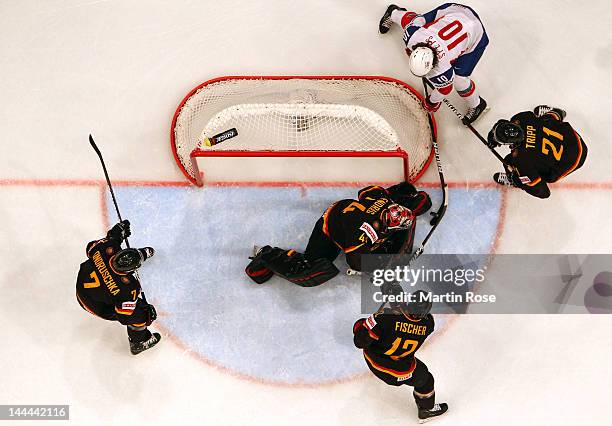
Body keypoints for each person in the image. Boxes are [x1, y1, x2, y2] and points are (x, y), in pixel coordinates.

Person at [245, 183, 431, 287]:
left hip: (355, 216)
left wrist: (405, 196)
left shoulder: (386, 202)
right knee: (309, 271)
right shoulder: (362, 233)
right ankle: (268, 257)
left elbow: (366, 192)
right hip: (330, 229)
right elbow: (355, 261)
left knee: (413, 208)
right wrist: (381, 268)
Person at [379, 3, 489, 124]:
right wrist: (431, 102)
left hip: (476, 33)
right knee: (419, 20)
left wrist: (432, 103)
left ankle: (477, 104)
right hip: (456, 11)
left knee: (460, 81)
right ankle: (393, 12)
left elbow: (445, 90)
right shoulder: (413, 35)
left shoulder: (441, 70)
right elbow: (410, 21)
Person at [353, 288, 448, 422]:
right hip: (401, 370)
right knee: (426, 380)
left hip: (375, 361)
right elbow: (403, 319)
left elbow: (359, 342)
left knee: (360, 325)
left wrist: (367, 322)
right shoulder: (429, 324)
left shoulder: (384, 319)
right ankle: (426, 410)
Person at [76, 220, 161, 355]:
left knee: (128, 304)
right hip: (92, 304)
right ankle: (138, 342)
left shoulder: (105, 249)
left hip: (81, 286)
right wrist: (147, 315)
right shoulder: (128, 289)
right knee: (141, 314)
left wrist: (115, 233)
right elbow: (124, 317)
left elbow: (91, 247)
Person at [487, 105, 588, 199]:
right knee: (544, 121)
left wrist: (517, 180)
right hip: (573, 138)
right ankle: (558, 113)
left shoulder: (522, 163)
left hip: (574, 159)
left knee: (509, 162)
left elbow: (543, 192)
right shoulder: (522, 118)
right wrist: (495, 134)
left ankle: (513, 180)